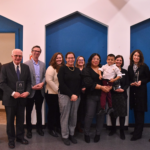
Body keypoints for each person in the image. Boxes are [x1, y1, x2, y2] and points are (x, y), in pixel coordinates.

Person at [0, 49, 31, 149]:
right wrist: (13, 93)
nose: (18, 58)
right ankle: (11, 139)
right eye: (16, 56)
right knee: (9, 120)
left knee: (21, 120)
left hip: (22, 99)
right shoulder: (5, 67)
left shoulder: (26, 67)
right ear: (12, 56)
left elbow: (29, 82)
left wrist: (27, 91)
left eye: (20, 56)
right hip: (10, 99)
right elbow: (2, 83)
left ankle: (20, 137)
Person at [82, 53, 111, 143]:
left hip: (103, 96)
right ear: (91, 59)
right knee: (89, 115)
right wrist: (102, 87)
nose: (96, 60)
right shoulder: (86, 70)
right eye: (94, 58)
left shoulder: (104, 69)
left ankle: (98, 133)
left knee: (101, 115)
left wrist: (109, 86)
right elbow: (89, 83)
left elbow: (109, 78)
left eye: (98, 59)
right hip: (91, 96)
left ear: (100, 61)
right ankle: (86, 133)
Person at [57, 52, 81, 146]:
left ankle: (71, 134)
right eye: (69, 58)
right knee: (65, 116)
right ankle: (65, 136)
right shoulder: (62, 69)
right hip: (64, 95)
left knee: (73, 116)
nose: (71, 59)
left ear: (75, 59)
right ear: (66, 59)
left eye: (72, 58)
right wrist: (71, 94)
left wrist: (76, 95)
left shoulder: (77, 70)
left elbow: (80, 84)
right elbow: (62, 84)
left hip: (76, 97)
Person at [25, 45, 46, 138]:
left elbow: (45, 76)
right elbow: (24, 78)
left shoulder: (43, 64)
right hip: (30, 91)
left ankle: (39, 128)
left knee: (39, 110)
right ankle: (29, 130)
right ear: (32, 51)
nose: (36, 52)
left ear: (40, 53)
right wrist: (31, 87)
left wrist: (42, 83)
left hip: (39, 92)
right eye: (35, 51)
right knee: (28, 111)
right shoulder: (26, 64)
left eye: (38, 51)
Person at [128, 49, 149, 141]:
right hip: (133, 92)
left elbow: (148, 78)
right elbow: (129, 79)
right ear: (132, 56)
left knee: (140, 112)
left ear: (140, 58)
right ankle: (137, 129)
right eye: (135, 55)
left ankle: (138, 134)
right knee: (136, 112)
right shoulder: (130, 67)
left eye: (138, 56)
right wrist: (131, 83)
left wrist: (141, 82)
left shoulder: (144, 66)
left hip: (141, 92)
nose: (136, 57)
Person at [109, 55, 129, 140]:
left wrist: (123, 90)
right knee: (113, 113)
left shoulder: (125, 71)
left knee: (122, 114)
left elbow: (127, 83)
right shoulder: (110, 70)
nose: (118, 62)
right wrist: (113, 89)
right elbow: (108, 82)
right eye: (117, 60)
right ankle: (113, 128)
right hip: (113, 95)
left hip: (122, 95)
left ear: (122, 62)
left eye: (120, 60)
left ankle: (121, 131)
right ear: (114, 61)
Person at [45, 52, 65, 137]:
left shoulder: (63, 68)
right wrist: (58, 90)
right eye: (57, 58)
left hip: (60, 93)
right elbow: (49, 81)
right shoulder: (51, 68)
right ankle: (51, 128)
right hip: (51, 94)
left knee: (59, 112)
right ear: (54, 59)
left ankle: (58, 127)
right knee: (52, 111)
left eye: (60, 58)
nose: (59, 59)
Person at [75, 56, 86, 132]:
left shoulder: (86, 70)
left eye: (82, 60)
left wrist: (85, 88)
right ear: (77, 61)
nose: (81, 61)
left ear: (84, 61)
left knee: (82, 110)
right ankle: (73, 127)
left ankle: (78, 126)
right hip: (76, 93)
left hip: (85, 93)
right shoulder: (74, 70)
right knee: (75, 110)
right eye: (79, 60)